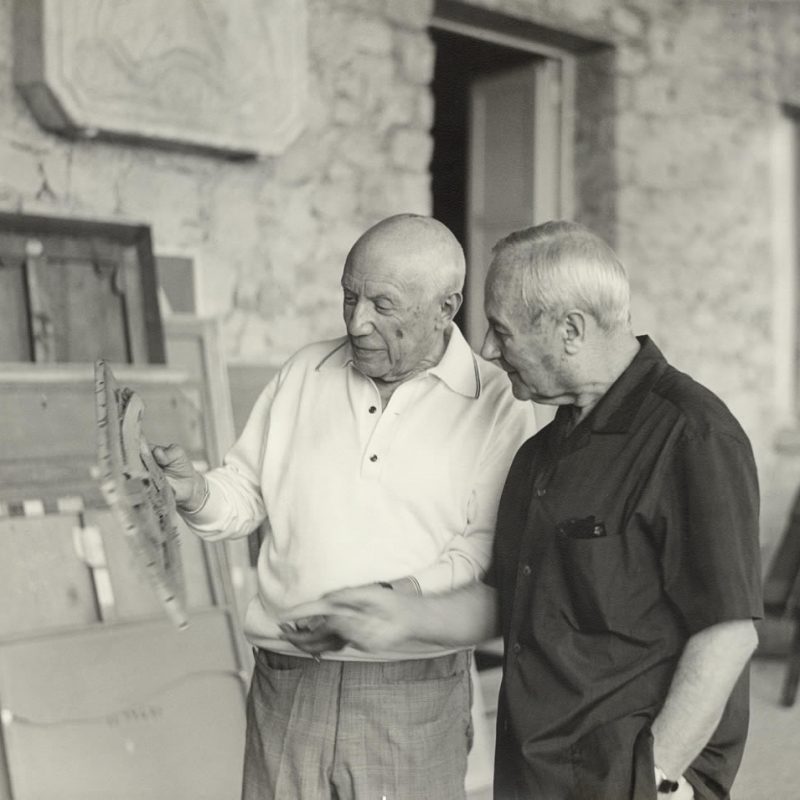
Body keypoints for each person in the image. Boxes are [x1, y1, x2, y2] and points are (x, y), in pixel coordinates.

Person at [283, 220, 763, 800]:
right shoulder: (540, 453)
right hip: (534, 772)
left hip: (628, 780)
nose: (486, 349)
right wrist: (392, 618)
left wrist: (656, 780)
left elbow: (728, 632)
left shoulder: (693, 436)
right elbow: (507, 600)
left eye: (502, 331)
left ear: (570, 330)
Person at [152, 213, 535, 800]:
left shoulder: (497, 402)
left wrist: (391, 600)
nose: (357, 322)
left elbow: (483, 550)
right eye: (349, 296)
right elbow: (248, 489)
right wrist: (195, 493)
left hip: (412, 689)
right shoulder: (305, 371)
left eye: (383, 304)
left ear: (446, 307)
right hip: (288, 680)